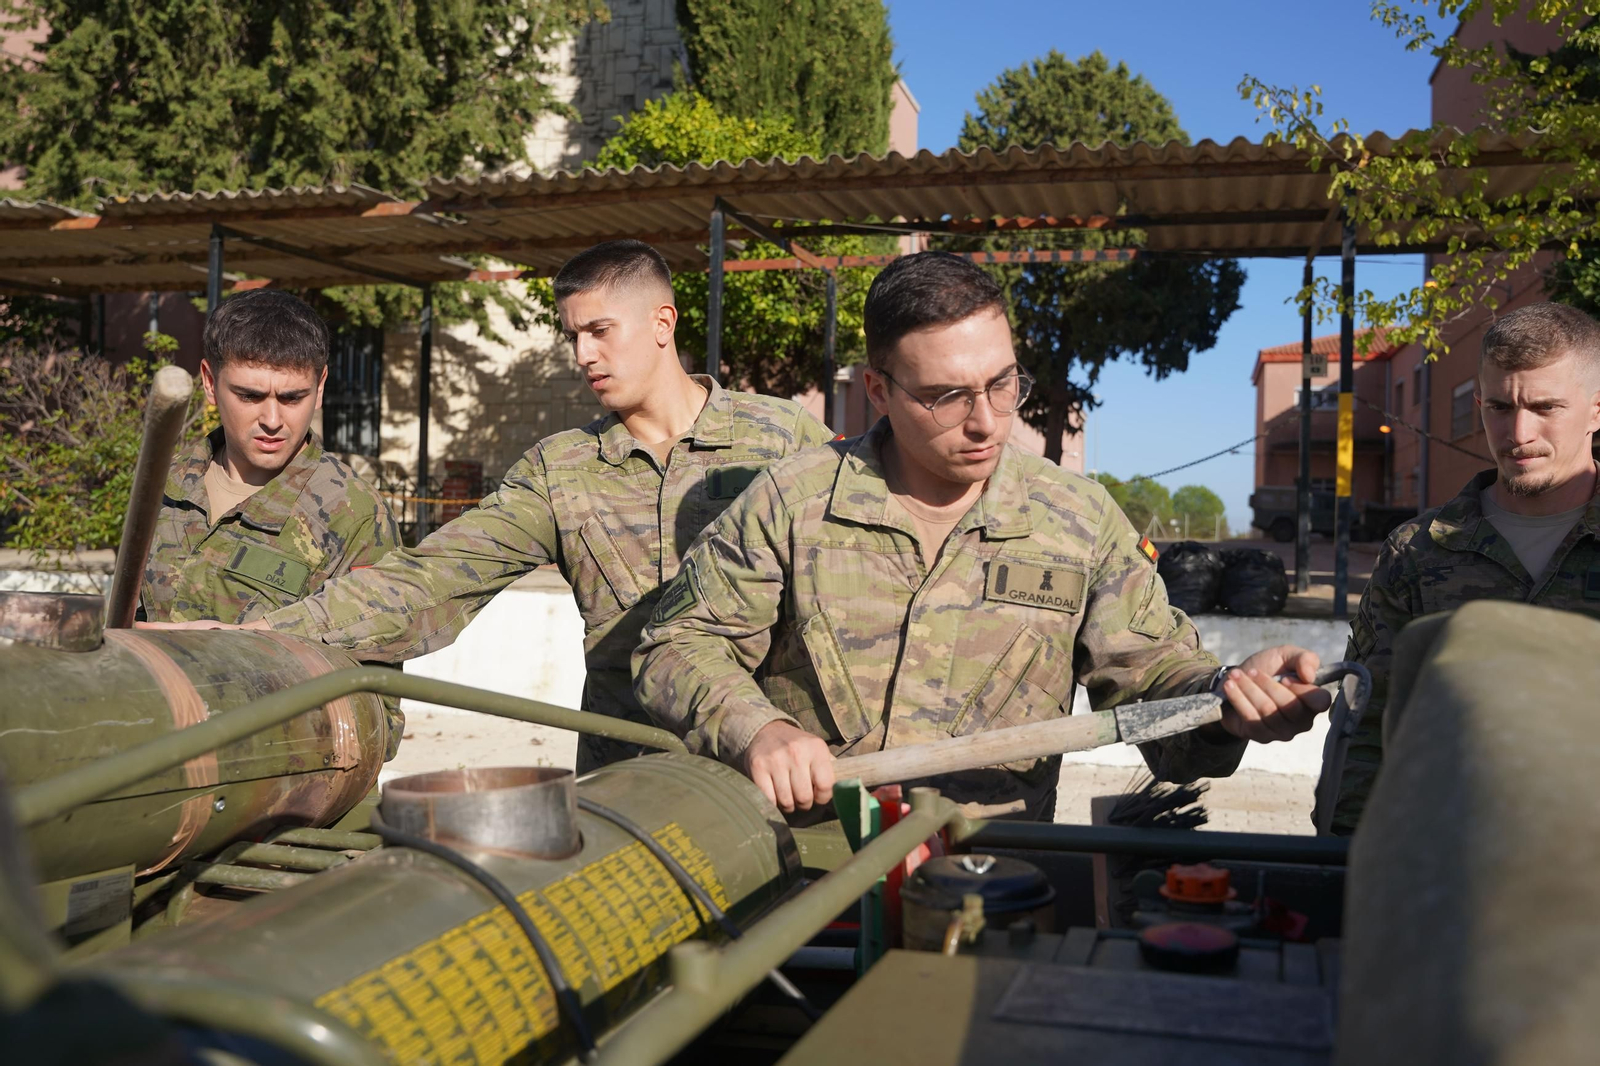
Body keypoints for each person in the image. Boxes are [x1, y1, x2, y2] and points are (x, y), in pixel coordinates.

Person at [632, 251, 1332, 818]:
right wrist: (759, 729)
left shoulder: (1077, 521)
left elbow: (1153, 686)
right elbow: (678, 645)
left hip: (996, 891)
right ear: (878, 391)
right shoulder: (794, 501)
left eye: (1003, 384)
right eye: (946, 397)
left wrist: (1227, 701)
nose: (988, 420)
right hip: (810, 883)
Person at [143, 240, 834, 771]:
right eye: (572, 336)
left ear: (662, 322)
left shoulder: (784, 441)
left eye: (600, 331)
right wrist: (270, 631)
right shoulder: (559, 472)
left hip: (773, 762)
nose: (583, 355)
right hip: (628, 773)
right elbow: (430, 581)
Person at [1324, 302, 1600, 835]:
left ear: (1596, 410)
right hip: (1448, 867)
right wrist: (1346, 867)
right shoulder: (1419, 552)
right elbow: (1368, 722)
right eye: (1498, 407)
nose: (1518, 432)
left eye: (1545, 407)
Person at [139, 289, 404, 754]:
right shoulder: (162, 487)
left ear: (320, 387)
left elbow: (377, 711)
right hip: (154, 767)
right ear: (209, 380)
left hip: (277, 784)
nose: (272, 419)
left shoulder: (353, 514)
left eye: (293, 397)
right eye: (249, 395)